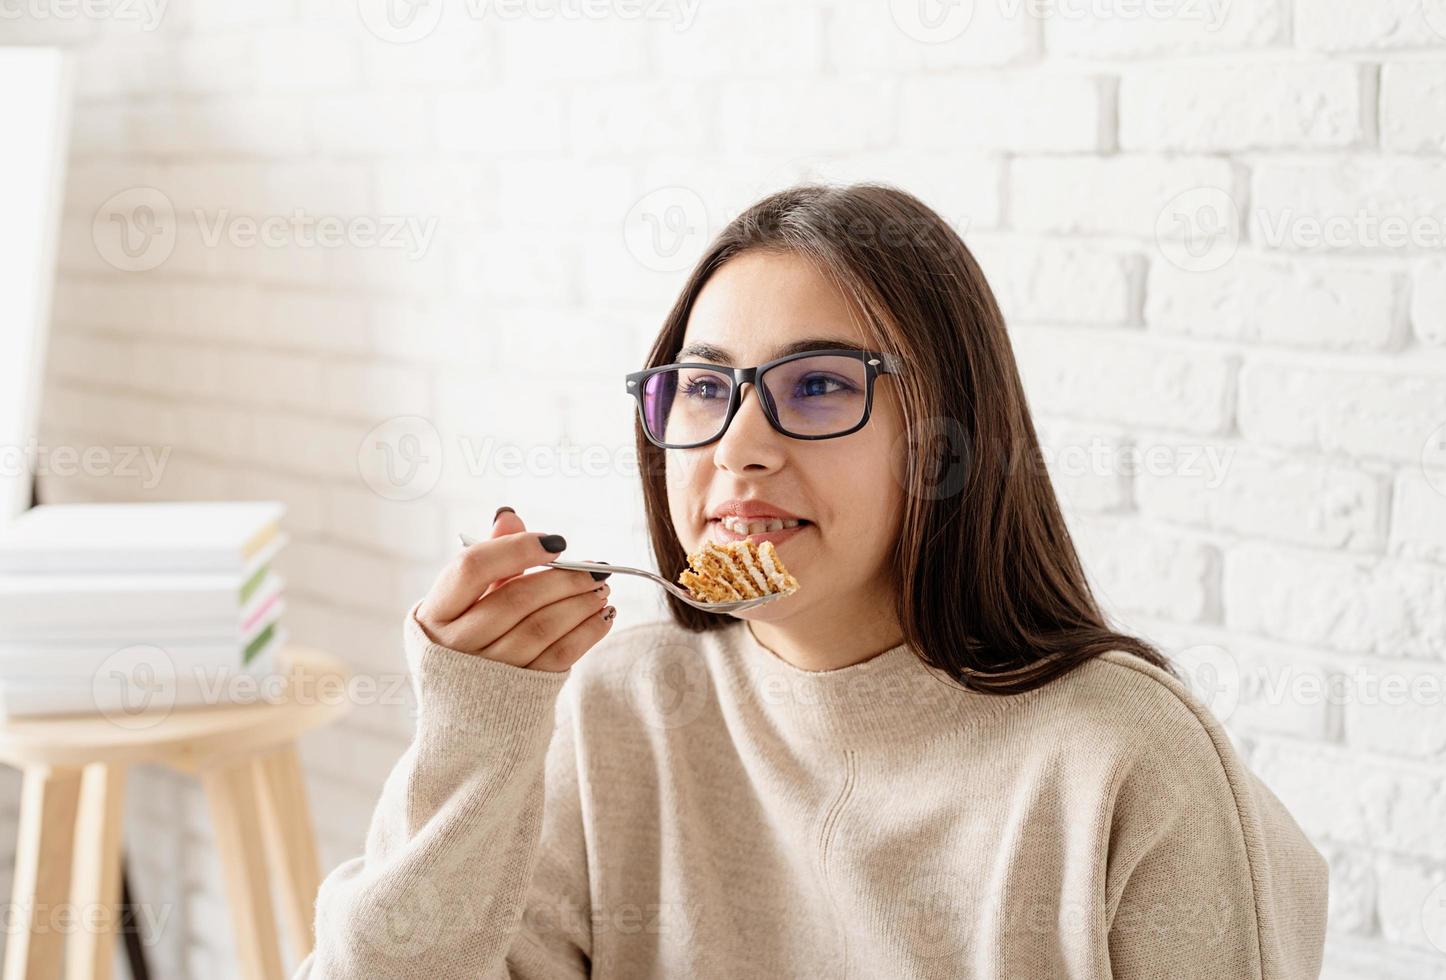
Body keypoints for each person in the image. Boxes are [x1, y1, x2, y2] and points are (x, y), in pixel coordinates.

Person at [296, 184, 1328, 979]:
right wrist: (477, 734)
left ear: (938, 444)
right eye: (703, 386)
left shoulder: (1122, 761)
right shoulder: (616, 708)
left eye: (819, 384)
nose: (738, 444)